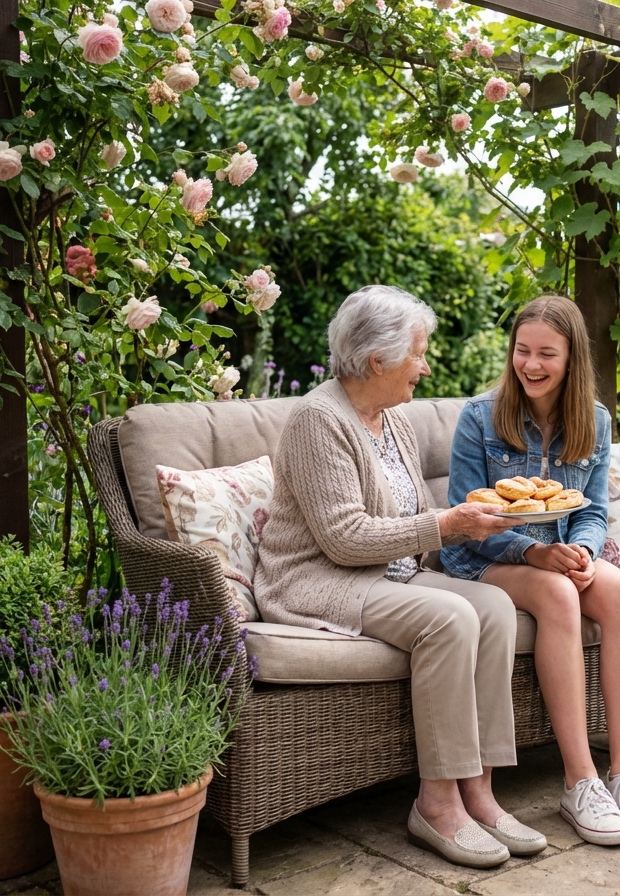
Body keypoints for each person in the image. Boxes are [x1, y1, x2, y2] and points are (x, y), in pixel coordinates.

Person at [255, 285, 547, 869]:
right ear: (376, 361)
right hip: (320, 579)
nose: (426, 365)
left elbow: (407, 523)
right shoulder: (319, 419)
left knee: (489, 607)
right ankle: (436, 805)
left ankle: (480, 794)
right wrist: (446, 526)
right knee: (450, 617)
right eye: (418, 353)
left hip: (390, 575)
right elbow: (343, 539)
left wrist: (465, 528)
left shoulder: (392, 420)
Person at [440, 295, 620, 846]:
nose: (532, 365)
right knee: (558, 595)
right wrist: (536, 553)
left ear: (572, 360)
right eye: (523, 351)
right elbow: (467, 516)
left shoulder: (593, 419)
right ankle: (579, 780)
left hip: (563, 554)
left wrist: (586, 552)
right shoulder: (479, 417)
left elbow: (589, 510)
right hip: (487, 557)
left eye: (547, 353)